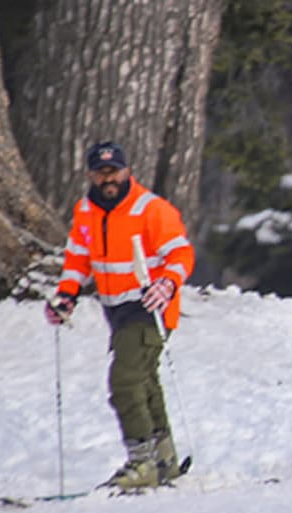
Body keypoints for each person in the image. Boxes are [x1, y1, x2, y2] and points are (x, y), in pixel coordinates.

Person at [44, 141, 195, 490]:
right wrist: (67, 295)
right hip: (115, 309)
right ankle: (164, 459)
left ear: (128, 171)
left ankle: (141, 463)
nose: (108, 179)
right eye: (101, 172)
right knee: (143, 380)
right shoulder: (86, 210)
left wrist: (168, 284)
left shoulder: (150, 209)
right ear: (90, 174)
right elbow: (78, 258)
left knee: (125, 382)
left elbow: (180, 254)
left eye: (114, 171)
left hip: (149, 307)